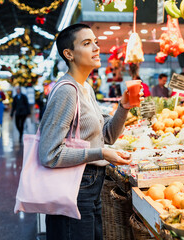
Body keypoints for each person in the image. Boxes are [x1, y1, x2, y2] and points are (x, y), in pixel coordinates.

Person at [38, 23, 141, 240]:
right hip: (74, 186)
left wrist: (123, 107)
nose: (96, 48)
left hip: (90, 185)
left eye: (96, 42)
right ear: (69, 54)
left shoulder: (86, 88)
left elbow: (106, 136)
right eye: (87, 43)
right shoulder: (66, 91)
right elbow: (49, 154)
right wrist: (101, 154)